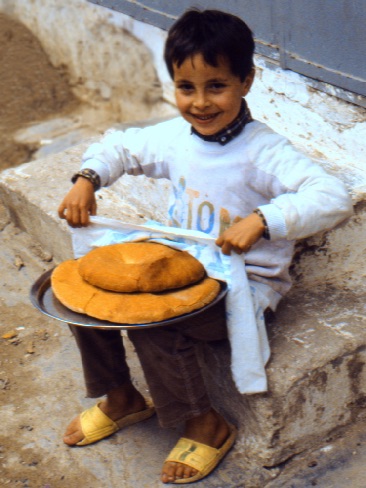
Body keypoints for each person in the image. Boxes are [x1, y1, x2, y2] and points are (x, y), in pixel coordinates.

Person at [58, 8, 353, 484]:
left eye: (216, 86)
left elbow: (332, 196)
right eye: (186, 88)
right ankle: (121, 396)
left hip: (240, 282)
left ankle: (205, 423)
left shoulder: (263, 151)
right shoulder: (176, 138)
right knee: (77, 292)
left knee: (158, 324)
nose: (200, 103)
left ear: (246, 81)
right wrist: (87, 179)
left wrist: (264, 219)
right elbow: (122, 147)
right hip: (180, 263)